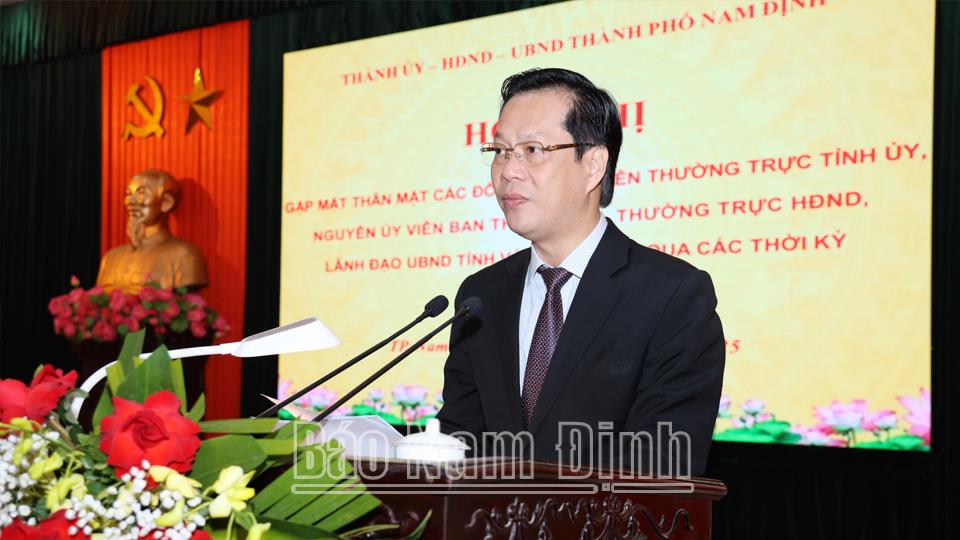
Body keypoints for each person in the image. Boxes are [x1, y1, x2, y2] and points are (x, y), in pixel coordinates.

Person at [435, 68, 725, 477]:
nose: (508, 170)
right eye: (500, 150)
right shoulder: (481, 294)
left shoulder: (673, 296)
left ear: (593, 165)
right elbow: (460, 438)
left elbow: (663, 464)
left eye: (532, 149)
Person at [96, 169, 207, 294]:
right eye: (128, 194)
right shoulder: (110, 258)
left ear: (166, 202)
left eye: (141, 193)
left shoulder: (184, 255)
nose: (130, 201)